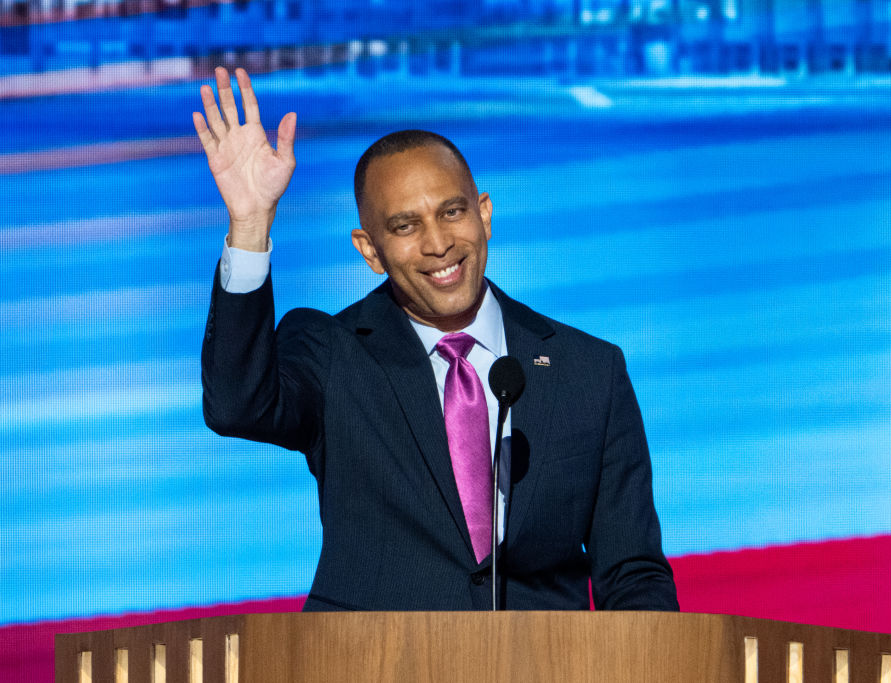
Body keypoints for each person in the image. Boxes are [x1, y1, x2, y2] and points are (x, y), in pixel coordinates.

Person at [195, 66, 678, 611]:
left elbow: (633, 575)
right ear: (369, 249)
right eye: (405, 226)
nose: (438, 243)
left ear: (484, 214)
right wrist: (251, 221)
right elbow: (238, 405)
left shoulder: (588, 370)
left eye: (452, 212)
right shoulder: (333, 353)